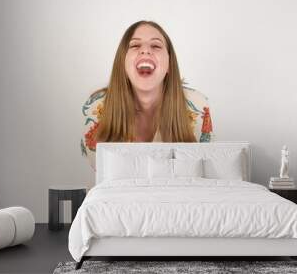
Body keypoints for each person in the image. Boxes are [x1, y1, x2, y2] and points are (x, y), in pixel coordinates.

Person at [80, 20, 213, 169]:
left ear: (169, 64)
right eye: (135, 45)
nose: (145, 51)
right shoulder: (96, 107)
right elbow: (101, 172)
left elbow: (202, 173)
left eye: (156, 46)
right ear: (122, 63)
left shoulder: (198, 106)